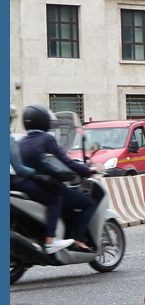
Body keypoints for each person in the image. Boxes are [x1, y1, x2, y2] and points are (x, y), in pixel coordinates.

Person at [17, 104, 97, 251]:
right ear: (43, 121)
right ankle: (76, 239)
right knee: (88, 203)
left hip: (30, 187)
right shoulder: (47, 139)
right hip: (47, 186)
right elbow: (66, 160)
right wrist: (87, 170)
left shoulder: (21, 142)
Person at [10, 104, 74, 254]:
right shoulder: (9, 140)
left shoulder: (20, 141)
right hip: (16, 182)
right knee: (55, 197)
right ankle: (51, 240)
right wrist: (34, 173)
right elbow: (19, 169)